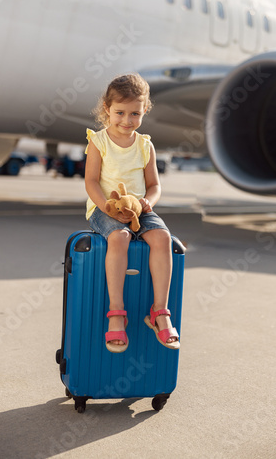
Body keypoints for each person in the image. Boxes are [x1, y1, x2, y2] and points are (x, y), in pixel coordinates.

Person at [85, 73, 180, 353]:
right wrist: (105, 206)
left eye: (135, 114)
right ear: (107, 109)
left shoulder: (144, 145)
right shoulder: (98, 142)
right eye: (120, 113)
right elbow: (91, 181)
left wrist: (148, 202)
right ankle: (116, 313)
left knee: (163, 238)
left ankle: (159, 311)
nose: (127, 121)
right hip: (104, 208)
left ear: (144, 110)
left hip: (139, 208)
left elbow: (154, 186)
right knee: (120, 238)